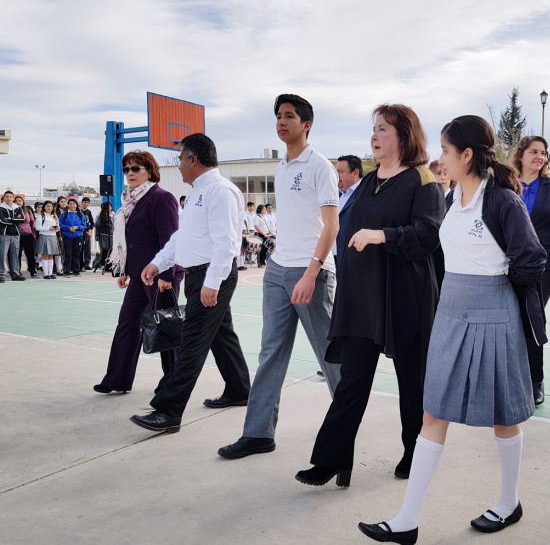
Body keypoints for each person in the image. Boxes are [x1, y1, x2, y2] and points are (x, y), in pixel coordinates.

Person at [358, 115, 546, 544]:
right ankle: (407, 520)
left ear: (466, 154)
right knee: (433, 411)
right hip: (451, 311)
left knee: (504, 417)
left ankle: (508, 501)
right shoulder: (450, 197)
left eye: (445, 150)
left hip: (492, 312)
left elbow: (531, 258)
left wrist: (499, 293)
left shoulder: (502, 201)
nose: (440, 158)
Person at [294, 103, 444, 487]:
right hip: (363, 299)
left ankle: (415, 451)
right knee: (352, 381)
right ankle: (331, 460)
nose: (374, 137)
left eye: (383, 129)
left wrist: (384, 236)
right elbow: (345, 232)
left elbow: (428, 235)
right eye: (372, 129)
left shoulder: (422, 180)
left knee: (413, 383)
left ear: (404, 135)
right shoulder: (368, 183)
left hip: (405, 297)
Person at [217, 94, 341, 459]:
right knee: (270, 353)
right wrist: (278, 266)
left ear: (307, 124)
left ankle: (345, 425)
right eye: (278, 116)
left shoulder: (320, 167)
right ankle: (258, 434)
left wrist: (311, 271)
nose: (281, 122)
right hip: (277, 271)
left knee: (330, 355)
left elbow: (332, 225)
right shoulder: (282, 167)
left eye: (289, 116)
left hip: (311, 273)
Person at [129, 133, 252, 433]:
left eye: (181, 159)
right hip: (202, 274)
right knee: (222, 335)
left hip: (213, 274)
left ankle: (169, 411)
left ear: (194, 159)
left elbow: (226, 243)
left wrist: (212, 283)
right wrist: (158, 263)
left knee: (193, 342)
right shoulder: (199, 192)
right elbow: (181, 238)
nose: (179, 165)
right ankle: (239, 390)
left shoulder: (220, 192)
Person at [94, 151, 183, 394]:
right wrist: (124, 269)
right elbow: (130, 241)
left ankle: (173, 382)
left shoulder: (161, 198)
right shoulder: (129, 202)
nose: (130, 173)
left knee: (165, 328)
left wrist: (168, 276)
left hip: (160, 275)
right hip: (138, 275)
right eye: (127, 169)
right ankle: (117, 379)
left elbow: (171, 240)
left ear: (150, 171)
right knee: (127, 324)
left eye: (136, 168)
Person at [511, 135, 550, 405]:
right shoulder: (507, 185)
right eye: (534, 151)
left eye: (543, 153)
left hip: (544, 267)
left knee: (532, 320)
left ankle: (536, 380)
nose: (540, 157)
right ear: (521, 154)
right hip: (509, 264)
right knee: (512, 321)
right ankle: (513, 377)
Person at [334, 154, 363, 268]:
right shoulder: (335, 195)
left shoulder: (366, 194)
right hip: (333, 260)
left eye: (340, 172)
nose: (336, 176)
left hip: (353, 262)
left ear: (355, 173)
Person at [0, 191, 26, 282]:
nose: (9, 198)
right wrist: (15, 219)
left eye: (11, 196)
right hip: (4, 234)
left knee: (15, 255)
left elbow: (22, 219)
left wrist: (10, 218)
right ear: (3, 198)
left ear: (13, 198)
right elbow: (2, 221)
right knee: (2, 255)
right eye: (7, 196)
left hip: (16, 234)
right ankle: (1, 275)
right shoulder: (1, 207)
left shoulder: (17, 208)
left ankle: (15, 274)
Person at [58, 199, 87, 276]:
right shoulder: (64, 214)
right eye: (70, 204)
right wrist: (68, 228)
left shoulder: (81, 215)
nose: (72, 206)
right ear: (68, 205)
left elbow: (84, 226)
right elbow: (60, 225)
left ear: (76, 205)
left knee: (76, 254)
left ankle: (76, 271)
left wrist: (77, 227)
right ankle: (67, 271)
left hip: (78, 237)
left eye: (74, 204)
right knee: (68, 254)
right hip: (67, 237)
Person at [35, 201, 60, 279]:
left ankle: (51, 273)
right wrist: (48, 229)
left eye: (51, 206)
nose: (49, 208)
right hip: (45, 236)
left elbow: (57, 226)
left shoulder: (54, 216)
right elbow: (37, 227)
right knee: (45, 255)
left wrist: (57, 229)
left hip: (53, 237)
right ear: (44, 207)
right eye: (47, 206)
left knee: (51, 256)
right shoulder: (41, 216)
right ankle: (46, 274)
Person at [17, 203, 37, 278]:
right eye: (16, 201)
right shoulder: (13, 211)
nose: (18, 202)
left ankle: (32, 271)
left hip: (28, 235)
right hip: (17, 235)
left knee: (30, 254)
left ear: (23, 202)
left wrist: (33, 233)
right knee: (17, 255)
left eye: (20, 200)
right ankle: (17, 271)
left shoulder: (27, 211)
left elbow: (32, 222)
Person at [93, 202, 113, 272]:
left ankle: (110, 266)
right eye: (108, 206)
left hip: (112, 236)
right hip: (104, 236)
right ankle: (104, 265)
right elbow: (97, 226)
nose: (110, 208)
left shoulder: (113, 214)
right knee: (105, 251)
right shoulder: (101, 216)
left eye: (110, 206)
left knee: (111, 251)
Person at [80, 196, 95, 270]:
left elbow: (92, 222)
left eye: (88, 203)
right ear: (82, 202)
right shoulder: (78, 211)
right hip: (80, 232)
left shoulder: (88, 212)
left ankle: (87, 263)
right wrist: (86, 230)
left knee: (87, 248)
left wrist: (90, 230)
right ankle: (80, 264)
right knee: (80, 248)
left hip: (88, 233)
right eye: (85, 202)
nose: (86, 204)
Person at [54, 196, 67, 275]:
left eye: (65, 201)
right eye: (61, 201)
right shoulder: (55, 212)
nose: (63, 203)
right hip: (57, 234)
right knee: (58, 251)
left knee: (66, 251)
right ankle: (57, 268)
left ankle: (65, 267)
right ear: (58, 203)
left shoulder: (69, 211)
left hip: (67, 233)